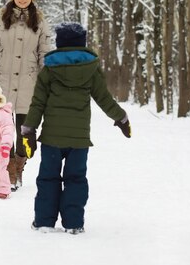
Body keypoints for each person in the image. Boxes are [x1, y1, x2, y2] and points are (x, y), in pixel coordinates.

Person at [20, 22, 131, 234]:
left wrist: (29, 130)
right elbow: (104, 99)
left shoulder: (49, 70)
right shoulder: (91, 69)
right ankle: (73, 224)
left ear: (60, 44)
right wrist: (121, 118)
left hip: (52, 138)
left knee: (48, 178)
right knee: (76, 179)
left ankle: (44, 221)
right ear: (82, 43)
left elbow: (38, 103)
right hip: (79, 140)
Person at [0, 0, 52, 191]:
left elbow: (44, 52)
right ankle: (9, 170)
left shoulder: (39, 20)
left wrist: (47, 79)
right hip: (2, 82)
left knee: (26, 131)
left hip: (29, 82)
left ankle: (20, 164)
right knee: (4, 130)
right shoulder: (1, 18)